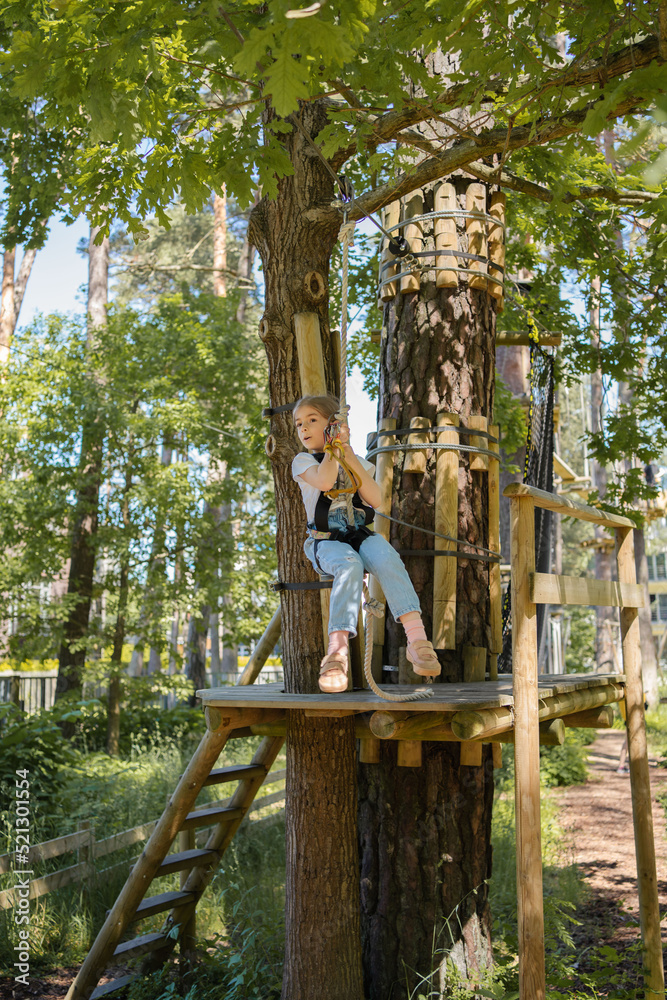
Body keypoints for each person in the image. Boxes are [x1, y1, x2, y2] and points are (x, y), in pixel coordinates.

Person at [291, 393, 440, 693]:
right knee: (350, 564)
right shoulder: (303, 461)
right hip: (326, 543)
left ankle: (417, 639)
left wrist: (348, 454)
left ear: (333, 424)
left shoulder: (355, 462)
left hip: (358, 536)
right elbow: (324, 482)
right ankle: (337, 652)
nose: (304, 428)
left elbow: (377, 500)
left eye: (312, 421)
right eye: (299, 424)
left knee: (385, 555)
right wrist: (333, 452)